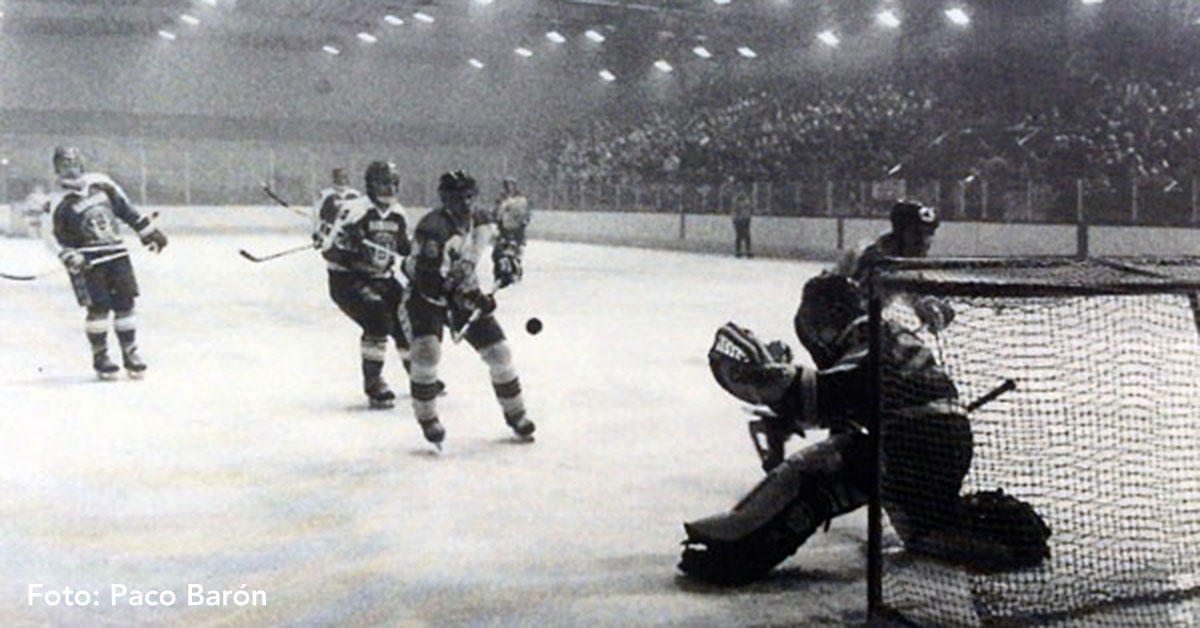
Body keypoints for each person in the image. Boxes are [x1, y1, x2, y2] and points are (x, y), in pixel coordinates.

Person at [678, 276, 1051, 586]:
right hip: (937, 439)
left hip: (915, 445)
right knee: (911, 518)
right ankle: (991, 529)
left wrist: (772, 381)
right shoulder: (882, 328)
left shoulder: (866, 334)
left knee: (816, 475)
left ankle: (737, 549)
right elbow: (854, 401)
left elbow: (836, 391)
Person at [402, 170, 533, 446]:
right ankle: (428, 418)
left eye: (470, 196)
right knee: (427, 353)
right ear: (445, 198)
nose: (466, 202)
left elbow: (505, 242)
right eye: (458, 197)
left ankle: (516, 414)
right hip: (426, 299)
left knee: (499, 353)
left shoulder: (482, 219)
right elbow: (429, 282)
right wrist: (471, 297)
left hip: (465, 293)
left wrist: (507, 262)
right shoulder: (433, 228)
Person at [42, 146, 168, 379]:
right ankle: (101, 356)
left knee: (125, 304)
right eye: (64, 164)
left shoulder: (102, 184)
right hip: (87, 262)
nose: (70, 168)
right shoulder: (56, 200)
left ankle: (130, 353)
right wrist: (68, 255)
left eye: (73, 162)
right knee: (98, 308)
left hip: (117, 254)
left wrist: (148, 232)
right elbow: (49, 234)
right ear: (56, 169)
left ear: (81, 163)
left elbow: (126, 210)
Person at [796, 200, 952, 370]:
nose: (925, 241)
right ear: (900, 233)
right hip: (820, 322)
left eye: (929, 233)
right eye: (917, 233)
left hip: (847, 325)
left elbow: (917, 294)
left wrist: (930, 307)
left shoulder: (903, 259)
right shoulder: (870, 257)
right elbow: (847, 306)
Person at [316, 161, 415, 409]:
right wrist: (351, 245)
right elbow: (329, 251)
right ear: (370, 185)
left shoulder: (398, 213)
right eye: (383, 183)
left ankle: (417, 374)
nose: (389, 188)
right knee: (378, 318)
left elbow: (405, 248)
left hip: (383, 278)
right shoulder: (355, 210)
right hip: (348, 280)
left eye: (393, 183)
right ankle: (374, 383)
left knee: (409, 317)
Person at [491, 178, 530, 288]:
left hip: (516, 232)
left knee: (514, 254)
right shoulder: (501, 200)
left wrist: (521, 228)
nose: (508, 188)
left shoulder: (520, 200)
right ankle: (500, 274)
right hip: (504, 231)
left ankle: (514, 274)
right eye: (507, 186)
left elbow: (525, 217)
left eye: (511, 185)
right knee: (499, 254)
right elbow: (496, 215)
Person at [312, 167, 360, 246]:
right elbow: (317, 215)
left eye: (344, 178)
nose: (342, 182)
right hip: (329, 233)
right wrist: (317, 234)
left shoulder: (355, 195)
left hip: (349, 234)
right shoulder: (326, 194)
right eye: (339, 179)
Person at [731, 192, 753, 258]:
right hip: (739, 220)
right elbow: (735, 211)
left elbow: (749, 210)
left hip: (745, 219)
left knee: (746, 236)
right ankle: (739, 251)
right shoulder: (737, 202)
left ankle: (747, 251)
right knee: (740, 236)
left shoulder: (746, 202)